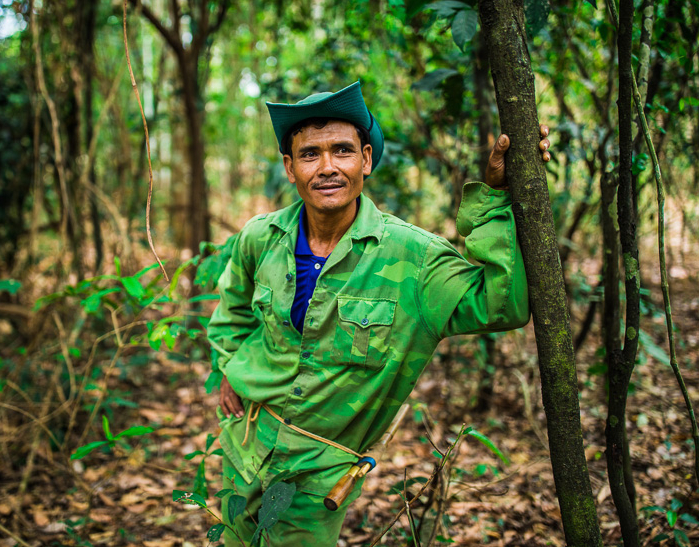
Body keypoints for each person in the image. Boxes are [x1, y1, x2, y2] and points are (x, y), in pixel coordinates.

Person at [207, 81, 551, 546]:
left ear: (365, 160)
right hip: (245, 447)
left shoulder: (415, 258)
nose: (327, 167)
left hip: (317, 475)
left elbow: (502, 305)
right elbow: (231, 307)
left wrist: (493, 199)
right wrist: (231, 366)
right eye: (310, 155)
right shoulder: (260, 237)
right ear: (290, 168)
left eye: (342, 151)